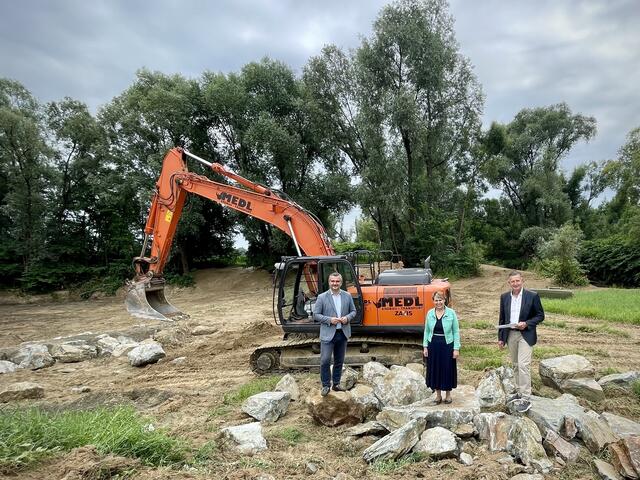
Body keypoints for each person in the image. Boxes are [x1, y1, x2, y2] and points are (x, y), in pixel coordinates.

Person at [498, 270, 545, 413]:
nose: (515, 283)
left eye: (517, 281)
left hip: (526, 334)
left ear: (522, 280)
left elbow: (540, 315)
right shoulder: (504, 297)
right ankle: (519, 392)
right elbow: (502, 318)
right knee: (516, 365)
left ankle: (526, 398)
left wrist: (527, 323)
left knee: (524, 365)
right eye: (512, 281)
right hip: (511, 334)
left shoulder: (532, 296)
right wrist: (501, 338)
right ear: (509, 283)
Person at [313, 271, 356, 396]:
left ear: (341, 283)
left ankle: (336, 384)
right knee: (325, 360)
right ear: (329, 282)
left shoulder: (347, 296)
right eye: (332, 281)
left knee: (339, 361)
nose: (335, 283)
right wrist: (329, 320)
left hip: (342, 333)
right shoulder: (322, 297)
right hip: (328, 333)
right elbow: (316, 315)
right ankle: (326, 385)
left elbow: (353, 311)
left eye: (337, 281)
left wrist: (347, 318)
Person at [423, 291, 460, 404]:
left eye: (440, 300)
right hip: (433, 345)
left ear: (444, 300)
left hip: (447, 345)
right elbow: (427, 331)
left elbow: (456, 331)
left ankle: (448, 395)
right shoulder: (429, 313)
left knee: (447, 368)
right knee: (435, 369)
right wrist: (425, 346)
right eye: (436, 300)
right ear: (433, 301)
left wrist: (456, 348)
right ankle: (438, 396)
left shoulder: (451, 313)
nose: (438, 302)